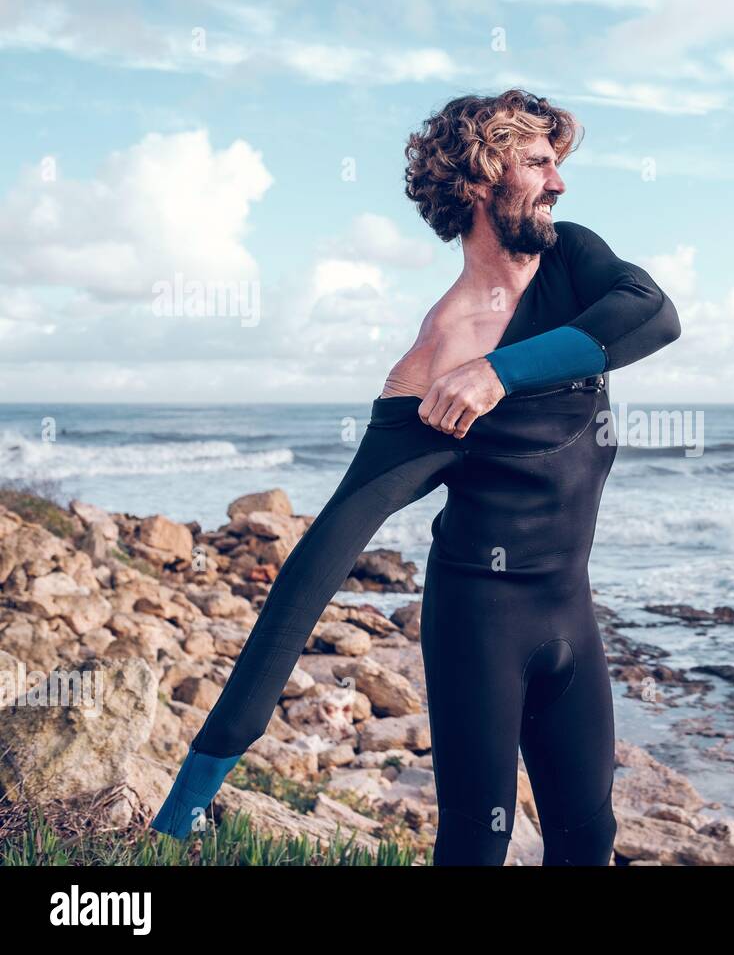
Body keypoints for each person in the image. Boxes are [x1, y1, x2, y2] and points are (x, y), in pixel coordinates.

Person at [150, 89, 681, 865]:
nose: (559, 183)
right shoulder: (431, 368)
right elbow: (317, 567)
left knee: (589, 835)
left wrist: (499, 372)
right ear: (478, 176)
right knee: (479, 839)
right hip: (480, 623)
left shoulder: (572, 262)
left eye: (558, 165)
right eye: (538, 163)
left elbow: (655, 315)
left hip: (571, 610)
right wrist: (190, 794)